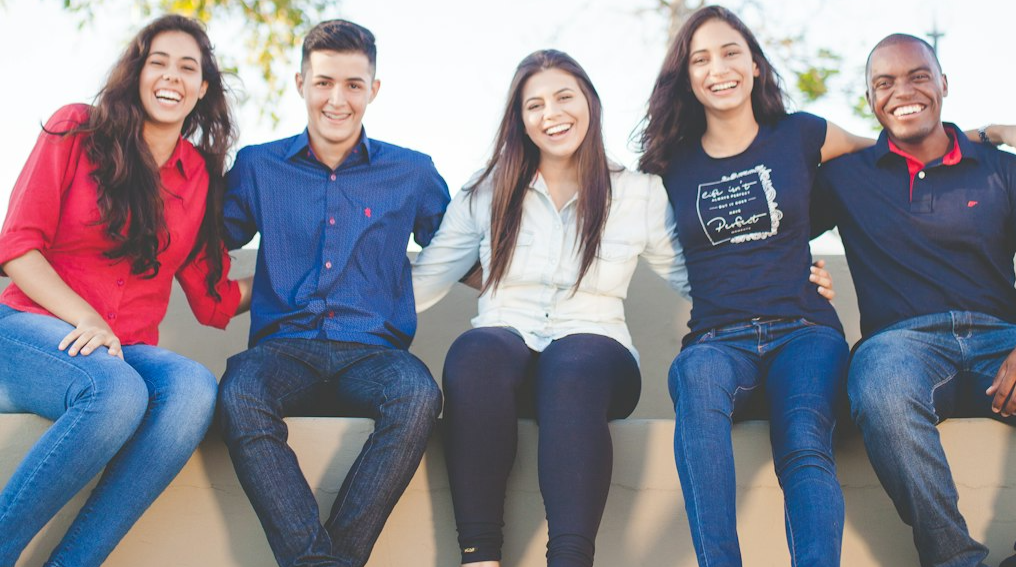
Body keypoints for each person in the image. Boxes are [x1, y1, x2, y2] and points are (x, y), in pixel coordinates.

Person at [636, 6, 1016, 566]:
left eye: (732, 52)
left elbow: (901, 144)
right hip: (718, 337)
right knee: (695, 381)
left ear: (755, 64)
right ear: (686, 75)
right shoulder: (670, 163)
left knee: (804, 442)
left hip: (805, 330)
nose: (719, 68)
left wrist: (992, 133)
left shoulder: (803, 134)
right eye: (701, 59)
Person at [411, 49, 831, 567]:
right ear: (519, 119)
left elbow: (702, 276)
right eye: (534, 105)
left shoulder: (637, 193)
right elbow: (426, 279)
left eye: (564, 97)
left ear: (589, 101)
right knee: (474, 351)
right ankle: (480, 558)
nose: (551, 114)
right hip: (504, 352)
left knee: (573, 362)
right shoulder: (486, 191)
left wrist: (791, 279)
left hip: (596, 357)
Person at [812, 33, 1016, 567]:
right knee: (881, 389)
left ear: (944, 84)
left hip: (1006, 346)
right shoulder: (843, 177)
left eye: (918, 76)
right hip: (901, 349)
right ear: (870, 100)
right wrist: (802, 272)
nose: (902, 91)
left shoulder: (1006, 170)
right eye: (884, 83)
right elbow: (769, 229)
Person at [0, 14, 249, 566]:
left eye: (188, 68)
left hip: (123, 349)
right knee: (116, 393)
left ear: (202, 88)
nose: (172, 76)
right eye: (158, 62)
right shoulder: (76, 129)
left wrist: (303, 277)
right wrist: (86, 317)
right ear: (137, 73)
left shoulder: (199, 175)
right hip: (26, 329)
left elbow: (214, 300)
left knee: (193, 390)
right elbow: (17, 246)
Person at [215, 19, 450, 567]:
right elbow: (203, 241)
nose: (337, 99)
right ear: (301, 83)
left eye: (353, 84)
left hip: (374, 355)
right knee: (238, 393)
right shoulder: (258, 166)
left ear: (374, 89)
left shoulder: (412, 172)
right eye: (323, 82)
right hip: (282, 351)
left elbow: (464, 251)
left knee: (418, 395)